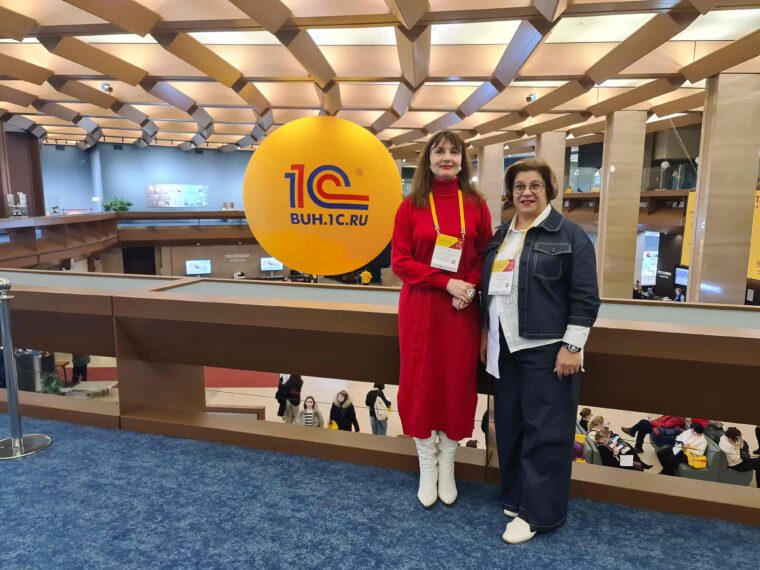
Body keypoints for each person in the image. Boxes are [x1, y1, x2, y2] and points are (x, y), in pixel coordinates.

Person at [480, 158, 600, 544]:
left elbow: (586, 297)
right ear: (510, 193)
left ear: (549, 190)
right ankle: (517, 495)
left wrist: (572, 346)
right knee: (510, 426)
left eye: (535, 186)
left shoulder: (570, 235)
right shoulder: (502, 235)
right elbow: (493, 293)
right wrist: (486, 333)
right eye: (519, 187)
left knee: (546, 433)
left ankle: (539, 513)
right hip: (504, 347)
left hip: (547, 349)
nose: (526, 193)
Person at [391, 130, 493, 509]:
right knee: (420, 381)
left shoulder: (476, 204)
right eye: (439, 151)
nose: (447, 157)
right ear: (428, 159)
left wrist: (468, 285)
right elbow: (400, 262)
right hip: (421, 307)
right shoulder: (410, 206)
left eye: (454, 151)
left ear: (463, 159)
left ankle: (447, 461)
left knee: (456, 381)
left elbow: (485, 254)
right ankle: (426, 464)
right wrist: (445, 282)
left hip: (461, 309)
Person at [622, 415, 686, 454]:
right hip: (660, 430)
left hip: (664, 435)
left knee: (643, 423)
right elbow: (659, 420)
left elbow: (664, 426)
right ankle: (638, 446)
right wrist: (652, 421)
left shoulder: (678, 418)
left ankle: (633, 433)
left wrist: (652, 422)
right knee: (643, 425)